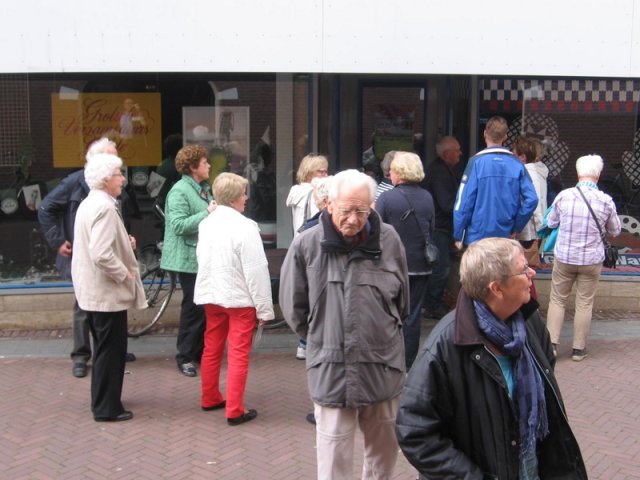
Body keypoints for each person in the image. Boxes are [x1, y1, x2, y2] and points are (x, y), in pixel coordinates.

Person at [396, 237, 588, 479]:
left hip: (530, 465)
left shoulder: (530, 322)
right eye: (522, 269)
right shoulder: (445, 346)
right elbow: (414, 430)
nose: (531, 273)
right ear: (497, 288)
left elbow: (546, 374)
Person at [279, 169, 409, 479]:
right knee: (334, 459)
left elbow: (402, 303)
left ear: (371, 208)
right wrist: (322, 338)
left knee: (383, 458)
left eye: (361, 211)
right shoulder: (307, 244)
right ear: (328, 205)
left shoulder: (389, 240)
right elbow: (294, 308)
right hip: (331, 369)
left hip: (383, 367)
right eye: (346, 210)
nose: (353, 218)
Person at [38, 137, 136, 379]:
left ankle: (112, 349)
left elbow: (118, 216)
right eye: (111, 159)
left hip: (102, 252)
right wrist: (58, 240)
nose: (118, 167)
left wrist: (125, 237)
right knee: (85, 303)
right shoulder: (76, 182)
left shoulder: (112, 185)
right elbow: (46, 207)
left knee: (108, 305)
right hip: (83, 255)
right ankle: (81, 355)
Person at [71, 153, 147, 422]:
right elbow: (101, 253)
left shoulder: (90, 203)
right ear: (105, 179)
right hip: (105, 293)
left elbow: (98, 244)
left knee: (105, 348)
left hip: (93, 291)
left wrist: (125, 244)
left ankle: (103, 402)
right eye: (118, 174)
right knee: (109, 351)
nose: (123, 179)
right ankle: (107, 408)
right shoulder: (104, 207)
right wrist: (124, 273)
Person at [194, 172, 274, 426]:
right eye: (243, 193)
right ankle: (234, 409)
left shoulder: (206, 223)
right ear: (233, 199)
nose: (247, 197)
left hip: (212, 293)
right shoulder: (245, 227)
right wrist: (264, 309)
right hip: (239, 298)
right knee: (238, 353)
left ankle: (209, 397)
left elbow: (201, 258)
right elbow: (256, 270)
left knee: (212, 345)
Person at [545, 154, 621, 361]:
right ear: (598, 175)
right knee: (585, 303)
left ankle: (551, 345)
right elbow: (615, 230)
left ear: (579, 173)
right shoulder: (605, 200)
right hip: (591, 260)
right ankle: (578, 349)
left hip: (565, 258)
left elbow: (551, 223)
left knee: (557, 300)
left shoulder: (564, 196)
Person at [375, 151, 435, 369]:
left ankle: (388, 360)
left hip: (391, 267)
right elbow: (432, 227)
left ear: (399, 173)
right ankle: (408, 363)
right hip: (421, 266)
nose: (389, 173)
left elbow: (376, 232)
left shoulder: (386, 198)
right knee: (413, 315)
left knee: (388, 314)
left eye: (391, 170)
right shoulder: (427, 197)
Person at [162, 144, 217, 377]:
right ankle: (184, 356)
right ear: (193, 167)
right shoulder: (179, 191)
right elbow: (177, 225)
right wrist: (208, 213)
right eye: (205, 162)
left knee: (202, 306)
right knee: (193, 307)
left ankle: (196, 351)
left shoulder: (203, 188)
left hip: (202, 256)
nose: (209, 165)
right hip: (187, 258)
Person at [453, 116, 538, 248]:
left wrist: (458, 233)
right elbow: (532, 199)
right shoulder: (517, 165)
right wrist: (517, 226)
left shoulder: (475, 162)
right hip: (506, 235)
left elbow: (463, 202)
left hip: (477, 237)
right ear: (505, 136)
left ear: (485, 133)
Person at [422, 136, 463, 319]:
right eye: (457, 150)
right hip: (439, 227)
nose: (461, 153)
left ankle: (433, 302)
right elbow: (446, 203)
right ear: (447, 154)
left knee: (443, 267)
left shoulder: (444, 170)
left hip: (442, 227)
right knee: (441, 268)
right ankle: (432, 304)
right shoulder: (439, 173)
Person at [513, 136, 548, 272]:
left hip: (528, 229)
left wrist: (540, 228)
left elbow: (536, 200)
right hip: (530, 227)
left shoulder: (530, 173)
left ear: (523, 157)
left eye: (514, 154)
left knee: (523, 267)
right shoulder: (537, 171)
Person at [285, 153, 329, 236]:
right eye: (321, 172)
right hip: (313, 241)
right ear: (309, 173)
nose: (326, 175)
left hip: (299, 239)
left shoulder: (296, 190)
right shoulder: (316, 194)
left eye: (326, 172)